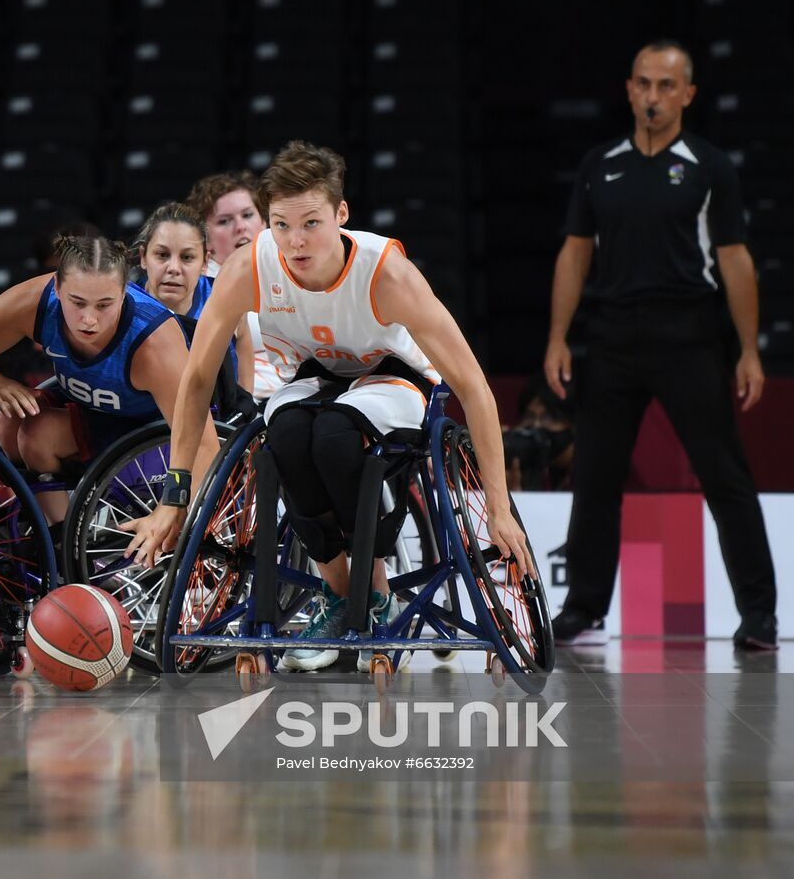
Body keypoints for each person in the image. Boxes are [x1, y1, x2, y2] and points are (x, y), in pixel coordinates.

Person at [124, 141, 531, 672]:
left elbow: (475, 386)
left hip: (394, 373)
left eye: (311, 223)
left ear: (341, 215)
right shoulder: (249, 267)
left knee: (336, 437)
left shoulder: (386, 272)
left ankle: (373, 588)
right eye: (281, 225)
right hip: (315, 374)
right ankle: (342, 595)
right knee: (287, 437)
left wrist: (497, 507)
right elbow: (197, 377)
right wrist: (177, 496)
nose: (295, 242)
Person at [543, 39, 777, 650]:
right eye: (643, 84)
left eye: (666, 86)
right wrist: (558, 337)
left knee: (724, 474)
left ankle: (759, 615)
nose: (653, 96)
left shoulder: (709, 166)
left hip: (689, 335)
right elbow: (575, 252)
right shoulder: (601, 163)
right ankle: (585, 608)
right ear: (628, 89)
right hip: (613, 335)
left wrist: (748, 349)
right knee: (594, 475)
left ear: (688, 95)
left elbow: (736, 260)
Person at [0, 233, 219, 525]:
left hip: (154, 429)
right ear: (57, 287)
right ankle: (48, 525)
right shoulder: (34, 302)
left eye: (104, 305)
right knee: (9, 418)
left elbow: (205, 444)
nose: (89, 319)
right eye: (77, 303)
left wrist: (173, 507)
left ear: (124, 293)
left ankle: (64, 540)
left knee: (36, 433)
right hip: (90, 408)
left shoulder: (153, 345)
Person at [132, 202, 254, 401]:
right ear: (143, 257)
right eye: (162, 255)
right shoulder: (124, 306)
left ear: (205, 262)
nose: (173, 268)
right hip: (146, 428)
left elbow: (243, 398)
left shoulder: (226, 299)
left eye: (187, 257)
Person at [186, 170, 285, 401]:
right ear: (205, 239)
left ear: (264, 221)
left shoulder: (296, 264)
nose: (240, 227)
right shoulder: (198, 286)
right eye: (224, 221)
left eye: (248, 215)